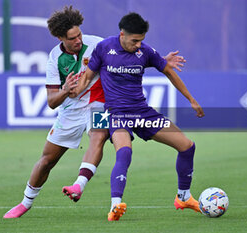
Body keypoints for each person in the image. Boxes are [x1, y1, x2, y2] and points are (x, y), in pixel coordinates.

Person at [3, 6, 185, 218]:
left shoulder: (97, 44)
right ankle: (25, 202)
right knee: (47, 160)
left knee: (98, 134)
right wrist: (64, 91)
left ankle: (79, 185)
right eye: (72, 38)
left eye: (79, 34)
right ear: (61, 37)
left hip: (100, 104)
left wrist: (161, 60)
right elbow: (52, 102)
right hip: (70, 111)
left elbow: (131, 50)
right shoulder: (54, 59)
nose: (78, 40)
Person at [73, 12, 205, 221]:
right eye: (135, 41)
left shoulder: (145, 51)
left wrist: (191, 99)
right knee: (124, 152)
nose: (138, 45)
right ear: (122, 34)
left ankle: (184, 197)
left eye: (141, 41)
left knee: (187, 146)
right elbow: (87, 77)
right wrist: (72, 90)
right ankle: (115, 205)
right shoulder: (104, 48)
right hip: (117, 114)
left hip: (142, 112)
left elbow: (168, 70)